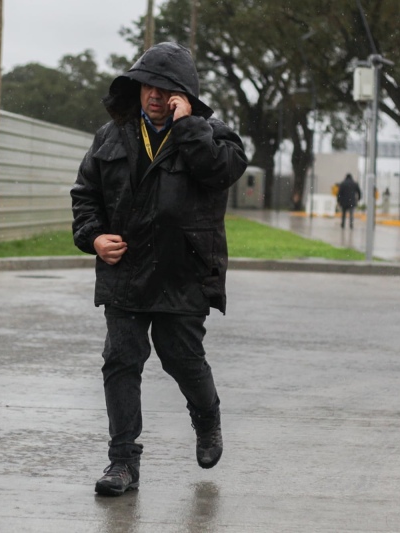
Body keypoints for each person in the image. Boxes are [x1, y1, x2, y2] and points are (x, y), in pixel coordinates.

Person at [71, 42, 248, 497]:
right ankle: (122, 462)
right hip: (126, 271)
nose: (154, 95)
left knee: (181, 357)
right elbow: (85, 195)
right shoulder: (112, 136)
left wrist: (189, 125)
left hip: (183, 272)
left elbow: (219, 172)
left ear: (184, 93)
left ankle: (207, 416)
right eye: (148, 84)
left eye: (166, 87)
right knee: (121, 361)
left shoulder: (215, 137)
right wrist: (92, 236)